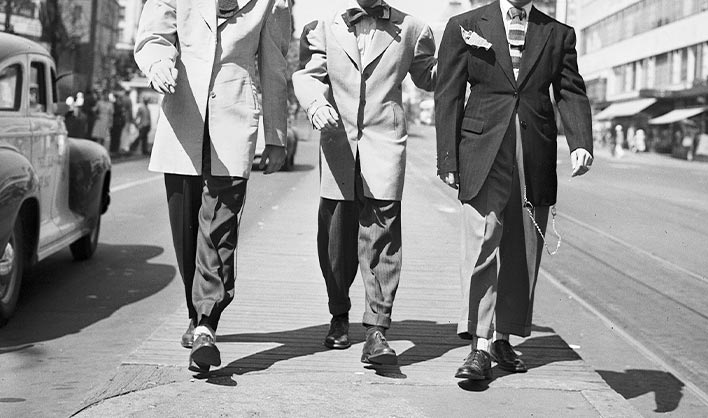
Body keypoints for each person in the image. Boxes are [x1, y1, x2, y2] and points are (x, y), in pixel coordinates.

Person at [435, 0, 593, 379]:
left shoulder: (558, 34)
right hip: (482, 149)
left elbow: (570, 90)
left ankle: (503, 335)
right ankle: (479, 346)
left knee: (523, 249)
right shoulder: (465, 24)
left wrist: (580, 141)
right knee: (482, 243)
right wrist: (448, 158)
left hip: (534, 152)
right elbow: (449, 92)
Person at [134, 0, 291, 373]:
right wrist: (158, 64)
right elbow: (154, 36)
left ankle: (206, 323)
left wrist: (276, 135)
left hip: (235, 117)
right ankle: (196, 311)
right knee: (186, 230)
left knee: (219, 226)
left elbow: (274, 65)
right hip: (182, 111)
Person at [292, 0, 436, 365]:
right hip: (337, 144)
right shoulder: (323, 27)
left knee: (383, 237)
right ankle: (339, 313)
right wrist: (314, 105)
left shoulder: (412, 29)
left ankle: (376, 328)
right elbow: (307, 76)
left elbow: (430, 76)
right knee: (336, 241)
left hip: (385, 144)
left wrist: (468, 52)